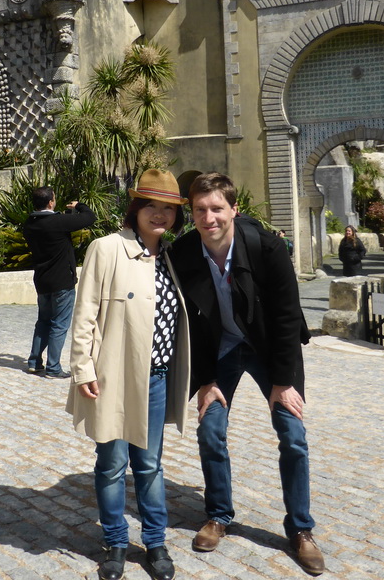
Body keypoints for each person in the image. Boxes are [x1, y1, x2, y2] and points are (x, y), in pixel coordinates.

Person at [169, 173, 325, 576]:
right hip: (220, 351)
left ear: (233, 209)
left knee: (292, 435)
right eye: (200, 209)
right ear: (192, 212)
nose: (209, 218)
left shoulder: (267, 247)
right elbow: (189, 324)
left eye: (217, 208)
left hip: (269, 350)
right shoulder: (183, 253)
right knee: (209, 428)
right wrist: (204, 381)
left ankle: (301, 530)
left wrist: (283, 383)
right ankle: (219, 514)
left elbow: (288, 316)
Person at [67, 169, 190, 580]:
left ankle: (155, 542)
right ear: (135, 208)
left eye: (169, 209)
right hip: (114, 375)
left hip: (156, 378)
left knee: (151, 464)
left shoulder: (173, 255)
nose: (160, 215)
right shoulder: (106, 248)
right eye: (151, 206)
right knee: (113, 461)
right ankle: (116, 542)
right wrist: (82, 366)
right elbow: (84, 313)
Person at [23, 187, 96, 378]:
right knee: (59, 325)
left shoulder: (29, 224)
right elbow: (89, 217)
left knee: (43, 322)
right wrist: (79, 205)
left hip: (42, 281)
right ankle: (53, 368)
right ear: (50, 202)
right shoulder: (58, 222)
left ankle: (34, 362)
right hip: (62, 281)